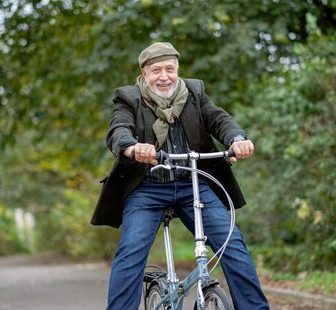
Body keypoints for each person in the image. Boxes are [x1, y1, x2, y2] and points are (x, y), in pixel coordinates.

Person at [91, 42, 270, 309]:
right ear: (144, 72)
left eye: (169, 69)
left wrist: (236, 138)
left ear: (177, 70)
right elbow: (118, 129)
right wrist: (132, 146)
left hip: (193, 185)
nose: (164, 76)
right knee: (130, 253)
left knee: (232, 243)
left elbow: (219, 119)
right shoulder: (128, 98)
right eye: (156, 70)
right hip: (147, 188)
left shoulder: (194, 92)